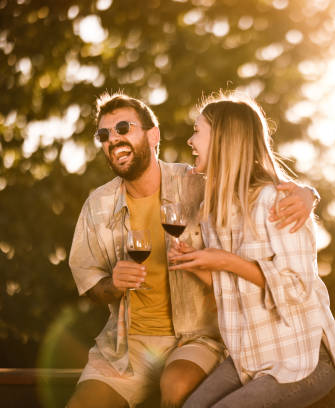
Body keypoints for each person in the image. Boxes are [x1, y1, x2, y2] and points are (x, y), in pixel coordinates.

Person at [67, 92, 319, 408]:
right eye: (103, 134)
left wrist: (308, 194)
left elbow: (246, 174)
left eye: (123, 128)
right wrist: (113, 285)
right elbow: (90, 285)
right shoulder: (97, 207)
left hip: (197, 337)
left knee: (176, 388)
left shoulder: (196, 182)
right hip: (127, 345)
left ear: (152, 134)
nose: (112, 139)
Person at [168, 93, 335, 408]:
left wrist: (225, 260)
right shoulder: (213, 214)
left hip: (302, 359)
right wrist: (197, 264)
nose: (190, 140)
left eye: (198, 131)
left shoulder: (279, 202)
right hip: (249, 358)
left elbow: (295, 289)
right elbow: (232, 289)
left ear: (224, 140)